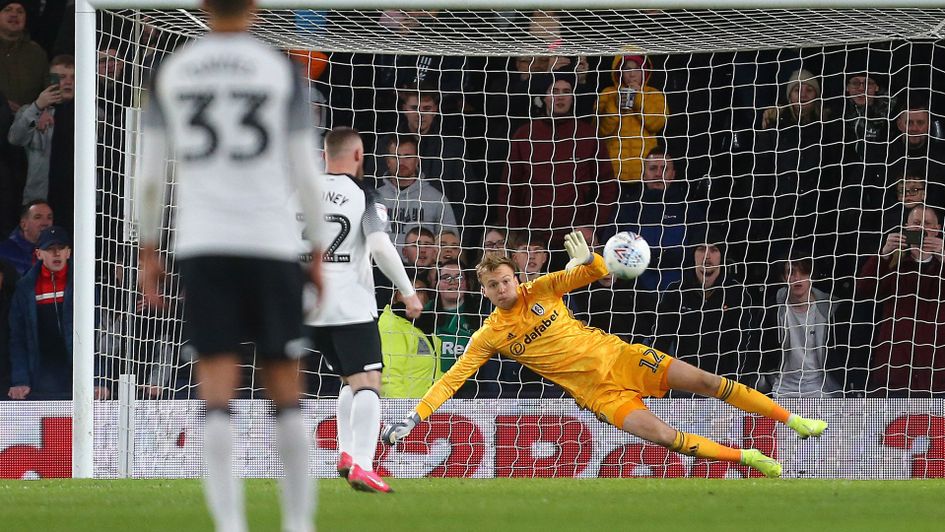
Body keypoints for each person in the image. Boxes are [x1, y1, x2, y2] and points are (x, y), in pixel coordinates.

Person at [382, 231, 829, 478]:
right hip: (599, 395)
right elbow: (452, 380)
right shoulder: (489, 336)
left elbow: (596, 273)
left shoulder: (541, 289)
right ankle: (747, 457)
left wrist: (589, 259)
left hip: (622, 358)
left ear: (516, 278)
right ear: (484, 291)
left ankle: (794, 421)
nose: (502, 289)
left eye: (506, 280)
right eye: (493, 286)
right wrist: (416, 416)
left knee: (709, 383)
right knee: (668, 439)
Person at [135, 1, 325, 529]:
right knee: (286, 389)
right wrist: (315, 254)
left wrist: (149, 250)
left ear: (201, 5)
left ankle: (230, 525)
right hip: (270, 240)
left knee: (216, 389)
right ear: (256, 5)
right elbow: (306, 171)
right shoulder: (279, 69)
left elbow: (151, 176)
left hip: (203, 243)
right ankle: (298, 523)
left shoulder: (174, 69)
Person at [304, 127, 422, 494]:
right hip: (349, 304)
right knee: (369, 382)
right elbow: (381, 247)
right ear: (359, 157)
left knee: (348, 379)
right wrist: (408, 292)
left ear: (324, 156)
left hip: (305, 304)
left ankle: (344, 452)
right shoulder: (364, 197)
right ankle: (364, 465)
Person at [497, 71, 617, 253]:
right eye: (555, 90)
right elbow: (509, 187)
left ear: (573, 97)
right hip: (532, 240)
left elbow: (607, 186)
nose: (560, 97)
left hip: (576, 239)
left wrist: (593, 227)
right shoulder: (524, 135)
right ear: (544, 97)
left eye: (566, 91)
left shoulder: (588, 135)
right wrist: (513, 231)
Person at [8, 226, 109, 400]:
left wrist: (98, 378)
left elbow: (97, 336)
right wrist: (20, 379)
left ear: (68, 252)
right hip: (43, 370)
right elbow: (18, 338)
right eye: (50, 249)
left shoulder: (85, 284)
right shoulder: (25, 289)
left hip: (80, 368)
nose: (56, 254)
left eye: (61, 248)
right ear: (39, 254)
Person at [858, 204, 945, 397]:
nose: (921, 228)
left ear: (938, 229)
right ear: (906, 227)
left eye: (928, 223)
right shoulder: (894, 266)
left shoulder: (941, 269)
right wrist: (884, 253)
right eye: (916, 223)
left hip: (936, 378)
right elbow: (863, 290)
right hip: (893, 375)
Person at [654, 231, 756, 385]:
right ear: (693, 254)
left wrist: (739, 385)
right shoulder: (676, 292)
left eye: (714, 250)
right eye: (701, 249)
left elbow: (747, 344)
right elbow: (660, 341)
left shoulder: (737, 293)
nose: (707, 256)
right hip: (686, 382)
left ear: (721, 256)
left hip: (725, 382)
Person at [612, 147, 706, 292]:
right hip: (635, 294)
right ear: (643, 174)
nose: (658, 174)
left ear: (673, 174)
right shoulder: (627, 210)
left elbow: (699, 253)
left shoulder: (689, 210)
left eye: (664, 169)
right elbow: (614, 251)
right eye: (653, 168)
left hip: (681, 293)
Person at [758, 254, 846, 398]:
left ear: (812, 275)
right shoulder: (771, 311)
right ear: (783, 277)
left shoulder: (832, 310)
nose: (797, 278)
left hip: (823, 390)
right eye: (791, 272)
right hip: (783, 389)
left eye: (804, 272)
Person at [7, 55, 75, 212]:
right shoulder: (31, 111)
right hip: (41, 199)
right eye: (61, 77)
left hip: (79, 197)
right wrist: (37, 107)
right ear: (49, 80)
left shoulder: (92, 114)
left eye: (73, 77)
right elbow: (15, 138)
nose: (68, 82)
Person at [374, 133, 458, 251]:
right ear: (388, 161)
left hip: (423, 269)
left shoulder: (436, 199)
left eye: (407, 156)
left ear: (417, 160)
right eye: (396, 156)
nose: (401, 162)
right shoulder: (374, 198)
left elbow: (451, 243)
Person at [596, 54, 668, 185]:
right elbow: (600, 130)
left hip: (646, 172)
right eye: (627, 69)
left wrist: (638, 98)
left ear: (644, 71)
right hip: (613, 172)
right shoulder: (607, 94)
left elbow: (656, 124)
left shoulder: (654, 94)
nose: (632, 74)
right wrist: (614, 105)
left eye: (637, 69)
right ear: (619, 71)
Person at [378, 276, 440, 399]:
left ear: (427, 298)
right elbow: (389, 377)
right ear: (396, 296)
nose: (414, 296)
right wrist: (401, 412)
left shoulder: (425, 326)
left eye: (420, 291)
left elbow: (428, 373)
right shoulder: (393, 326)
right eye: (407, 291)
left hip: (425, 410)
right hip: (406, 411)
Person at [0, 0, 48, 113]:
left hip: (30, 122)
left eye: (20, 11)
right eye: (8, 10)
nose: (14, 14)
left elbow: (49, 86)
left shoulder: (38, 53)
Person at [0, 199, 53, 275]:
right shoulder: (3, 253)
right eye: (38, 217)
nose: (45, 223)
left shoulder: (60, 253)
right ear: (24, 225)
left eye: (49, 218)